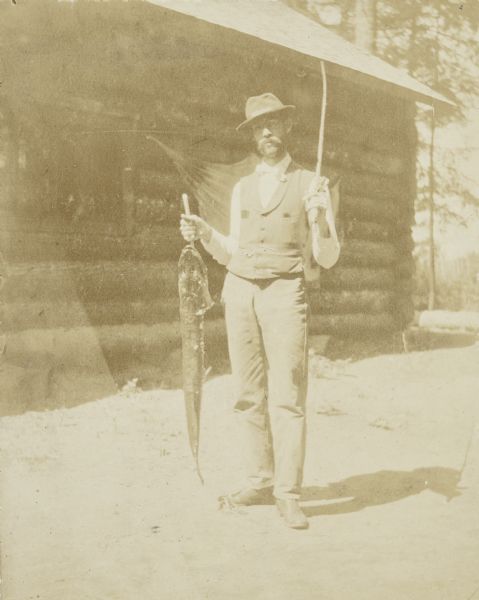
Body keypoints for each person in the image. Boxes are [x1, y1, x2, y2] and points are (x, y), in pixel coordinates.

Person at [180, 93, 340, 529]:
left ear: (287, 128)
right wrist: (204, 232)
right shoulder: (242, 188)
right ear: (251, 135)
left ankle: (288, 493)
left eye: (273, 123)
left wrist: (321, 217)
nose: (266, 132)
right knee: (247, 393)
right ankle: (259, 479)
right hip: (240, 292)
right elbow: (233, 251)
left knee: (287, 396)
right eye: (258, 126)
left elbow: (326, 257)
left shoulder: (312, 184)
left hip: (286, 293)